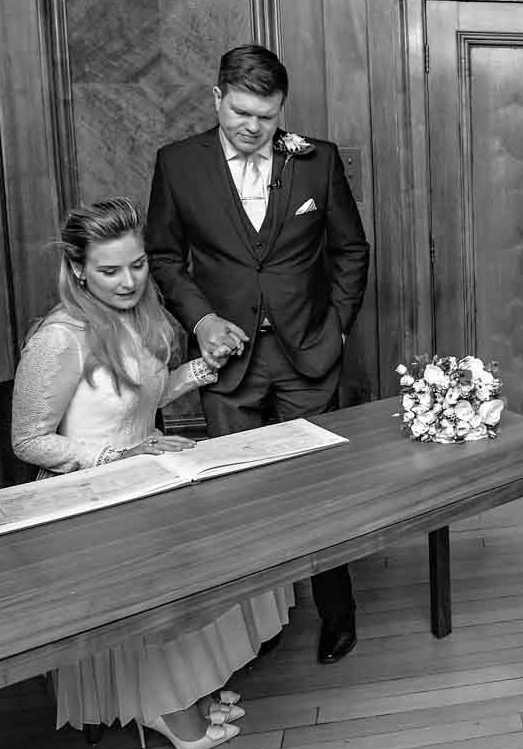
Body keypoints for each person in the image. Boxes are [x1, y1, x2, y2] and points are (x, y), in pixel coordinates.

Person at [10, 197, 281, 749]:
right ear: (78, 269)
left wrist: (208, 366)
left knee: (230, 536)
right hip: (87, 495)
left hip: (144, 473)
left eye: (136, 265)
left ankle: (190, 684)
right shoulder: (58, 338)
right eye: (109, 270)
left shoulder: (135, 317)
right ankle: (163, 705)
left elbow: (140, 395)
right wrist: (116, 460)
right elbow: (28, 441)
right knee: (164, 569)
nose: (129, 280)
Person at [146, 45, 370, 665]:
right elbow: (163, 256)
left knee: (320, 492)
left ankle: (338, 614)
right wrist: (202, 317)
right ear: (216, 98)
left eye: (266, 117)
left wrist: (340, 328)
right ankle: (254, 629)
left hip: (309, 355)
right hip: (228, 364)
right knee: (239, 499)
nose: (252, 126)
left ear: (281, 111)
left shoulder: (315, 162)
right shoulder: (177, 164)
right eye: (241, 111)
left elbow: (352, 250)